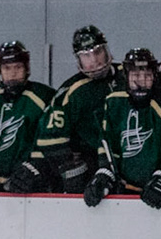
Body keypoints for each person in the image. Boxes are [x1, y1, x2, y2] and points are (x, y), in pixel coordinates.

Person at [20, 25, 117, 193]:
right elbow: (49, 139)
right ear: (78, 59)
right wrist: (71, 168)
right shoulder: (71, 92)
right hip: (93, 171)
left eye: (98, 52)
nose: (94, 60)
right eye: (86, 55)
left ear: (106, 50)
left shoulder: (127, 75)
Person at [87, 48, 161, 208]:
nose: (141, 82)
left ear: (155, 76)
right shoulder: (114, 102)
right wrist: (105, 172)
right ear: (127, 76)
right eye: (136, 76)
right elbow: (107, 144)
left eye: (147, 76)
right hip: (124, 190)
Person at [0, 40, 55, 192]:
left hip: (35, 184)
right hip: (1, 186)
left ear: (27, 68)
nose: (12, 73)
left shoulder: (43, 96)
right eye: (7, 68)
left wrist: (38, 168)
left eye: (18, 67)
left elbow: (54, 143)